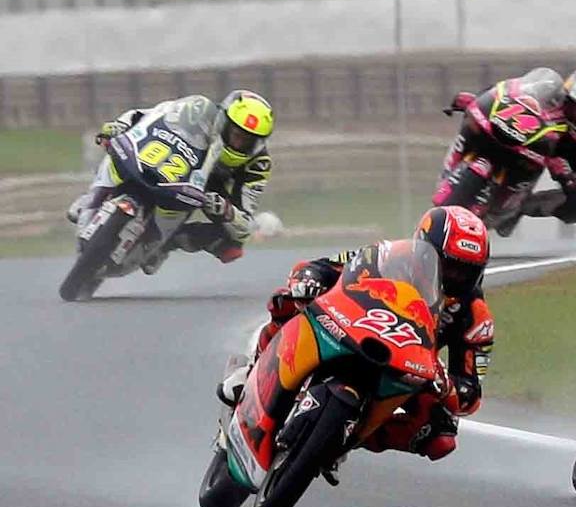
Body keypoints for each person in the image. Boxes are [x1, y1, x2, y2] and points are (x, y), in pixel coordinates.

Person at [219, 205, 494, 470]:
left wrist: (446, 385)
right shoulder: (389, 255)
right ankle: (252, 371)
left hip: (407, 363)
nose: (453, 276)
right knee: (286, 300)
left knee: (441, 436)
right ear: (423, 249)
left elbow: (470, 393)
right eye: (445, 265)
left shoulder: (475, 317)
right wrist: (308, 278)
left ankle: (346, 439)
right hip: (353, 324)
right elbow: (327, 267)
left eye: (465, 271)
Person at [68, 89, 274, 271]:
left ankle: (166, 244)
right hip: (173, 158)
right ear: (224, 121)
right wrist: (119, 126)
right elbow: (147, 115)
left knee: (231, 245)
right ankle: (92, 195)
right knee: (118, 145)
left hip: (210, 189)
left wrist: (227, 211)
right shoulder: (198, 110)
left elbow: (245, 226)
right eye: (235, 133)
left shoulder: (257, 164)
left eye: (247, 140)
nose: (239, 142)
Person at [435, 66, 576, 232]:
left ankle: (520, 207)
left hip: (569, 158)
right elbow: (508, 92)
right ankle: (454, 173)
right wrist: (478, 100)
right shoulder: (550, 94)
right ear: (567, 100)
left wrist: (568, 179)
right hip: (524, 140)